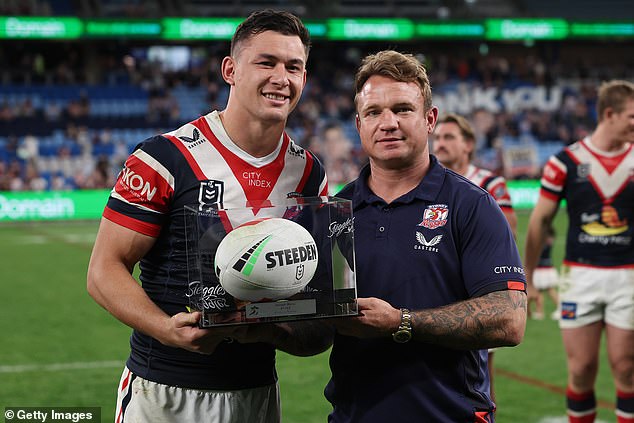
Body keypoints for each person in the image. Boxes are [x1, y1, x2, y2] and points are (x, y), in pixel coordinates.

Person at [87, 10, 332, 423]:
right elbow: (103, 271)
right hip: (164, 390)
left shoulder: (309, 174)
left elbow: (316, 302)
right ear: (230, 70)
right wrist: (167, 330)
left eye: (294, 67)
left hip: (256, 391)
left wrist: (272, 331)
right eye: (266, 62)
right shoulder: (165, 157)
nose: (281, 77)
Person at [326, 50, 527, 422]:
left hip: (450, 415)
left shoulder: (471, 205)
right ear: (359, 124)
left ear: (429, 119)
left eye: (402, 109)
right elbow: (318, 331)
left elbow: (509, 319)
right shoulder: (337, 211)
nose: (387, 123)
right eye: (374, 112)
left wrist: (401, 322)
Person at [524, 80, 634, 423]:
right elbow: (539, 222)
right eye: (632, 116)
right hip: (580, 276)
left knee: (627, 370)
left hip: (629, 277)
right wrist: (526, 279)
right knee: (582, 369)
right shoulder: (566, 162)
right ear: (609, 114)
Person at [432, 112, 519, 403]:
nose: (440, 144)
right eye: (438, 137)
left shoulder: (490, 184)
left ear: (468, 144)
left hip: (476, 289)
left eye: (449, 138)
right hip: (435, 286)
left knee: (480, 371)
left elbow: (508, 233)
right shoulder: (427, 183)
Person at [531, 225, 560, 321]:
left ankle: (541, 312)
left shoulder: (543, 240)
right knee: (544, 290)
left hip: (542, 268)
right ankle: (540, 312)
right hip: (546, 267)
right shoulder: (549, 238)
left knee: (542, 290)